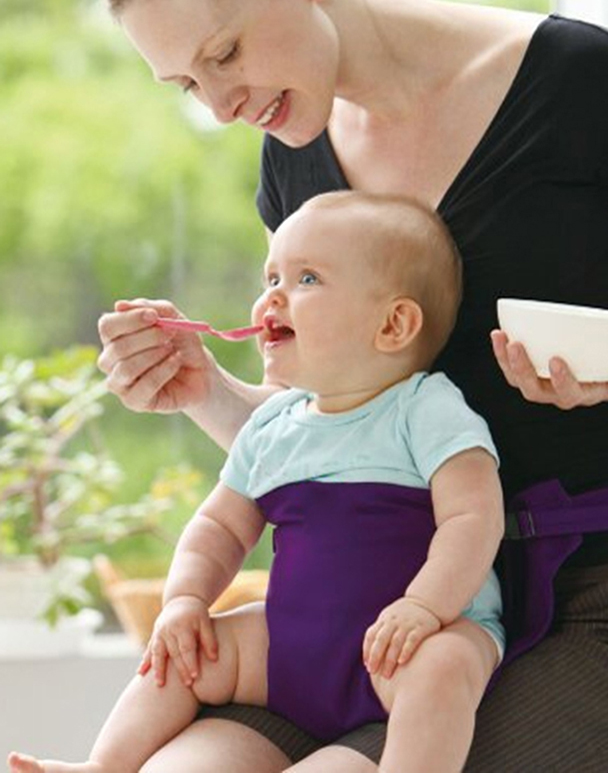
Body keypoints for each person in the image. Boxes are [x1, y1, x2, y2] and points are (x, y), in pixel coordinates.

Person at [93, 0, 608, 771]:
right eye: (190, 83)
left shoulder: (579, 80)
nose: (222, 106)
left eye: (225, 53)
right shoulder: (294, 157)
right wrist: (205, 391)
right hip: (374, 639)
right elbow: (327, 431)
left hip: (600, 617)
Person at [7, 191, 506, 773]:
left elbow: (474, 518)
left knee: (445, 667)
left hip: (409, 644)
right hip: (291, 645)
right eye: (271, 277)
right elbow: (219, 527)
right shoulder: (274, 425)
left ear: (393, 324)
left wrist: (424, 607)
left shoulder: (427, 409)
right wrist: (185, 600)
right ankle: (105, 766)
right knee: (184, 651)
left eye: (307, 279)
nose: (272, 296)